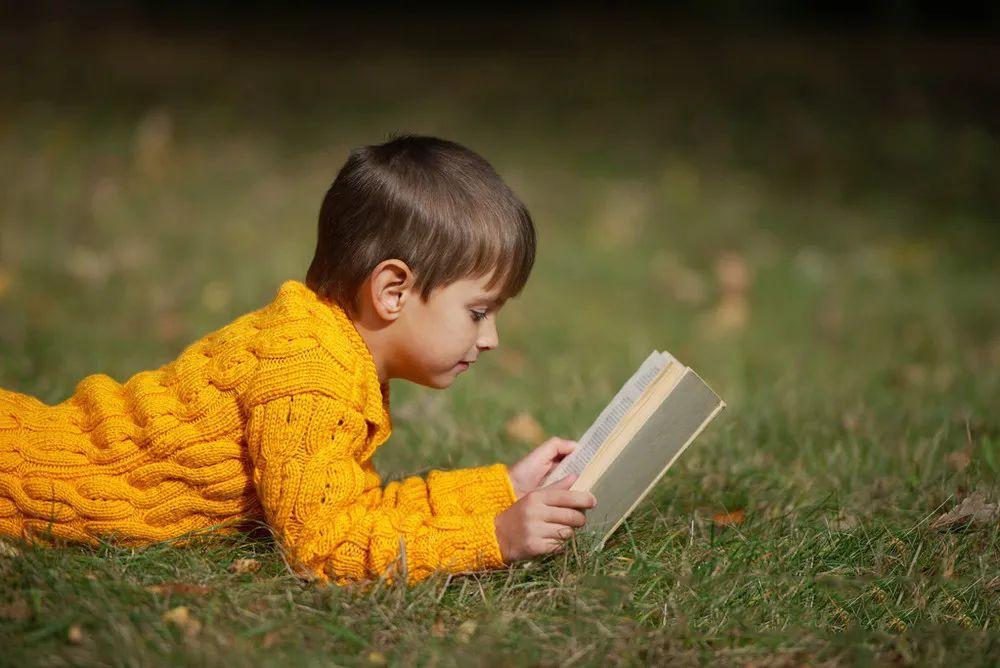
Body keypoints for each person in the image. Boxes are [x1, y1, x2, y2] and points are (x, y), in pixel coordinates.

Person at [0, 134, 597, 587]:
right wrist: (492, 537)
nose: (490, 338)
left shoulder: (331, 347)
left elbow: (352, 509)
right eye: (477, 312)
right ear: (393, 291)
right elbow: (324, 547)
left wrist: (501, 490)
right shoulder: (308, 378)